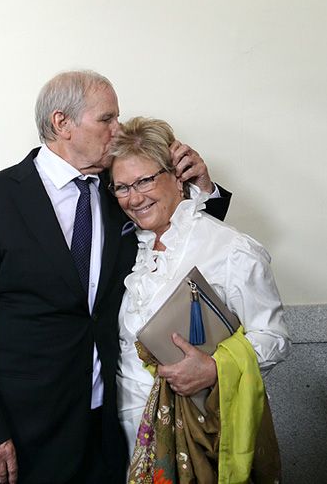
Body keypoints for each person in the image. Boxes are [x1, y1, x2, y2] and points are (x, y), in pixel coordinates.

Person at [0, 71, 231, 484]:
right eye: (107, 119)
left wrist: (202, 189)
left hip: (107, 429)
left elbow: (187, 247)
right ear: (62, 123)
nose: (118, 130)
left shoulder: (122, 194)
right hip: (21, 435)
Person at [109, 117, 290, 481]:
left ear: (178, 176)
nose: (134, 197)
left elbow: (275, 338)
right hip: (131, 437)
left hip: (201, 432)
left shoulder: (230, 249)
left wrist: (213, 368)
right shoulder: (130, 247)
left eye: (144, 180)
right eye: (122, 187)